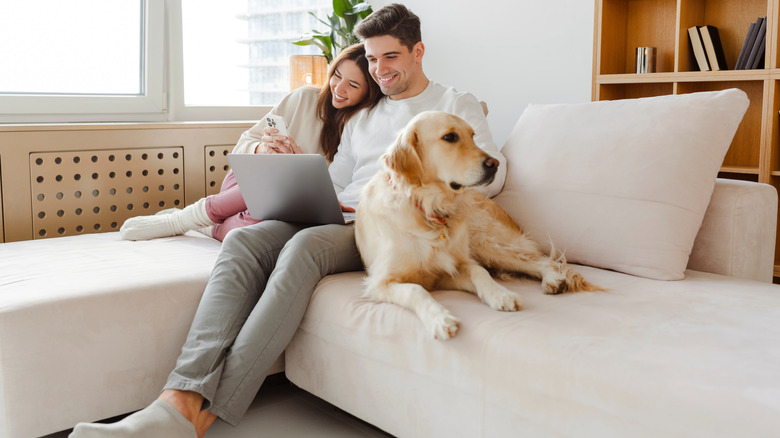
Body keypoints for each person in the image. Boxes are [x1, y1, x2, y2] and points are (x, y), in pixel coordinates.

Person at [70, 4, 505, 438]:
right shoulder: (366, 116)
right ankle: (177, 398)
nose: (378, 69)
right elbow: (338, 181)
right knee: (246, 242)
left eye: (389, 57)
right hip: (343, 215)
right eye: (371, 59)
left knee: (304, 247)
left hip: (393, 228)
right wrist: (304, 173)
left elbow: (492, 173)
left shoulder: (455, 104)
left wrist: (423, 187)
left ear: (417, 51)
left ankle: (192, 417)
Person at [118, 43, 382, 242]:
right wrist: (263, 149)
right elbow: (243, 145)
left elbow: (331, 192)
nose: (338, 88)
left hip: (282, 207)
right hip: (244, 184)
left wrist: (298, 167)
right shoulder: (303, 98)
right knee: (273, 177)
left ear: (369, 92)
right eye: (336, 75)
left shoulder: (362, 126)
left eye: (353, 84)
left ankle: (207, 226)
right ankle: (180, 220)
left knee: (255, 232)